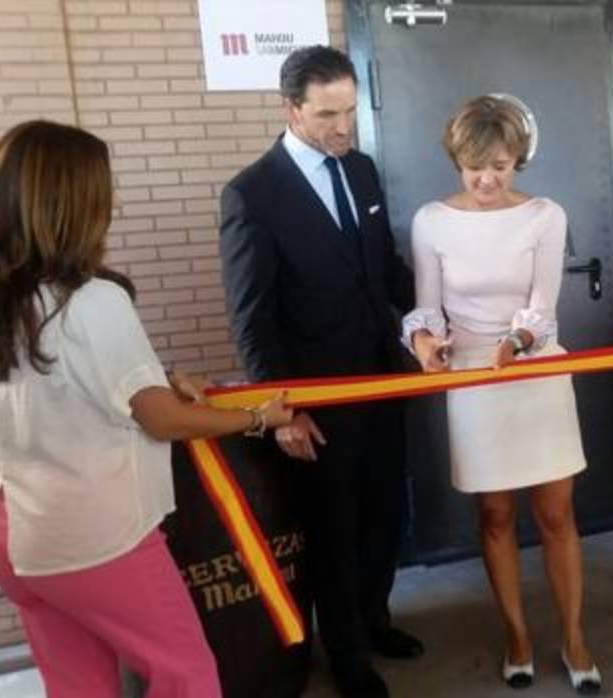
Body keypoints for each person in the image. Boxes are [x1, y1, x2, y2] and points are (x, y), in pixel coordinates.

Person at [0, 120, 294, 698]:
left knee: (79, 686)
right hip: (91, 536)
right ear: (71, 204)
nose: (111, 202)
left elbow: (62, 381)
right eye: (102, 188)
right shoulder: (95, 300)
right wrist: (259, 417)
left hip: (11, 528)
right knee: (188, 676)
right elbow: (161, 418)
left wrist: (158, 377)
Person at [218, 45, 420, 698]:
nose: (343, 128)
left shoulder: (359, 170)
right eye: (328, 114)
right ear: (291, 109)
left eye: (351, 112)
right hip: (316, 399)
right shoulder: (252, 194)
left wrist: (436, 314)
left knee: (386, 516)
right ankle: (347, 656)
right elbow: (252, 319)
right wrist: (281, 410)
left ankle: (374, 619)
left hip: (384, 382)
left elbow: (384, 268)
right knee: (334, 532)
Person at [404, 95, 602, 694]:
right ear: (456, 160)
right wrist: (424, 343)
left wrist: (517, 341)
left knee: (557, 513)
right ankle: (516, 634)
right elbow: (426, 307)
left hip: (533, 367)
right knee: (493, 515)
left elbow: (542, 308)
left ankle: (573, 637)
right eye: (474, 167)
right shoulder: (431, 221)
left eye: (501, 165)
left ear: (518, 160)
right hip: (470, 374)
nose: (487, 179)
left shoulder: (545, 215)